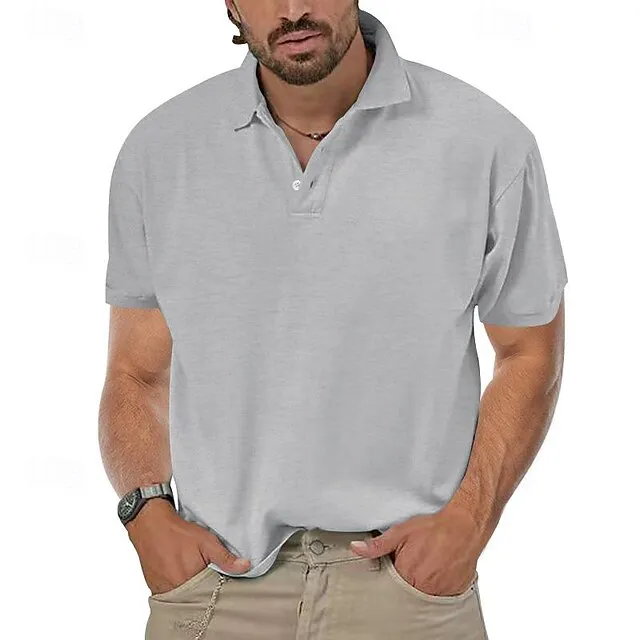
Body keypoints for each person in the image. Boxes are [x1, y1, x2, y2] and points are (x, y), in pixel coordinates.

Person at [99, 2, 568, 638]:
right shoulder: (160, 150)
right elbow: (136, 372)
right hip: (217, 585)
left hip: (409, 591)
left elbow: (530, 351)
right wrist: (145, 512)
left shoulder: (486, 141)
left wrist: (469, 520)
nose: (293, 10)